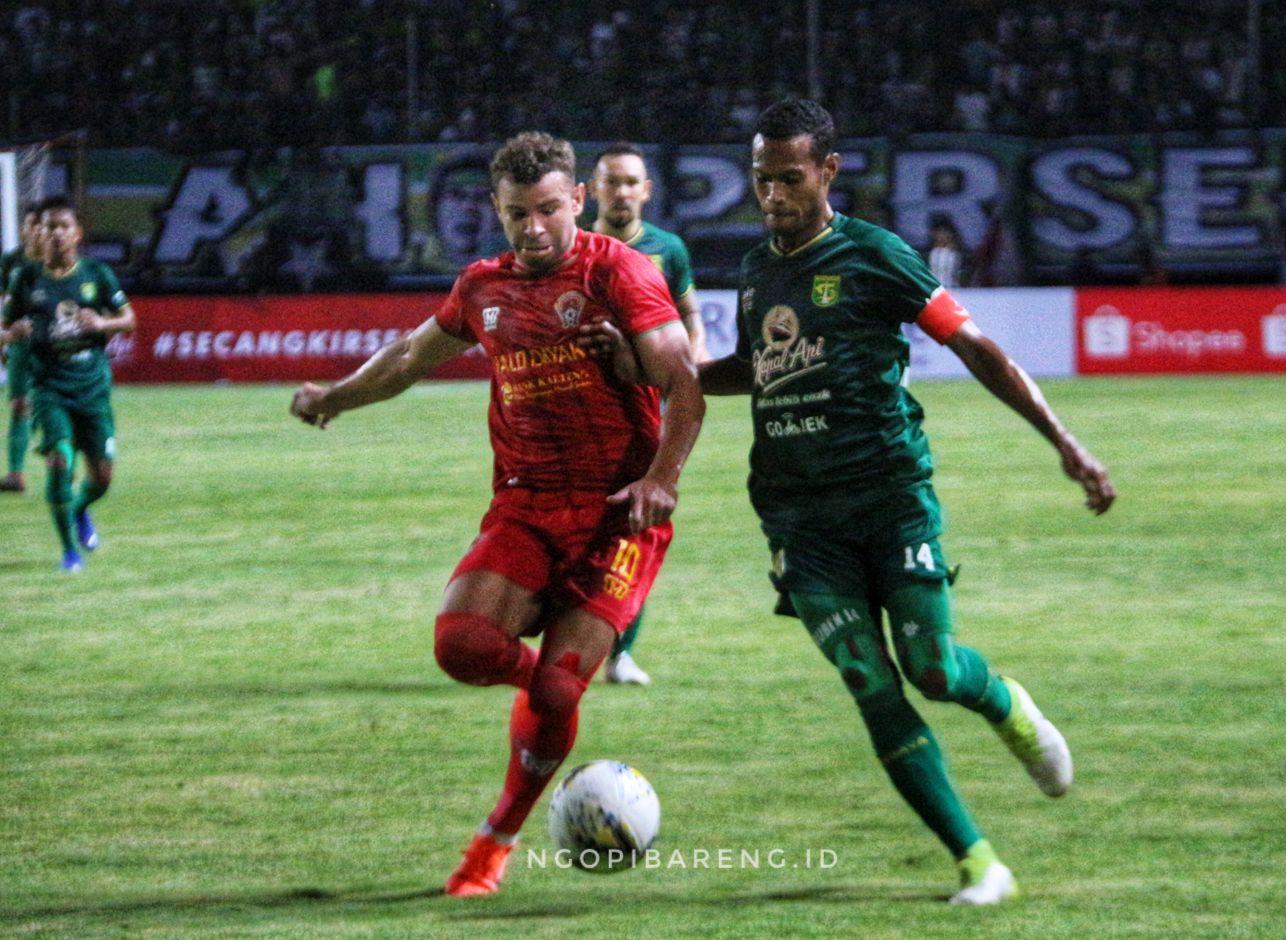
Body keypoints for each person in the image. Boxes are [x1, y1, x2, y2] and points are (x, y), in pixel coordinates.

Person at [697, 99, 1115, 904]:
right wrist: (663, 374)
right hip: (797, 517)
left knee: (930, 669)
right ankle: (978, 861)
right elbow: (756, 368)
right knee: (868, 679)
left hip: (889, 499)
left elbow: (978, 348)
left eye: (789, 178)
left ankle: (1004, 703)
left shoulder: (876, 256)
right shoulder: (757, 271)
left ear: (828, 171)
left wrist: (1066, 444)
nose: (773, 195)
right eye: (761, 180)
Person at [288, 131, 704, 897]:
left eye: (549, 209)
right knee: (461, 645)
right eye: (518, 214)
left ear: (577, 201)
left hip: (619, 514)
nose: (535, 228)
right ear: (497, 210)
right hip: (526, 503)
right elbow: (412, 358)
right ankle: (551, 693)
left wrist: (662, 479)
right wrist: (334, 397)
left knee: (551, 694)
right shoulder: (481, 287)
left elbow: (684, 383)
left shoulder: (621, 272)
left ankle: (494, 843)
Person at [589, 141, 706, 686]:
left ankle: (621, 652)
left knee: (638, 524)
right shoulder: (576, 246)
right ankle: (574, 642)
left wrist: (694, 364)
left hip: (644, 407)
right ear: (591, 189)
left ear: (646, 190)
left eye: (631, 181)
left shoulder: (668, 249)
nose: (621, 191)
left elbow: (687, 315)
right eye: (611, 181)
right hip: (580, 405)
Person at [0, 195, 137, 571]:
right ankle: (69, 552)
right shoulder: (25, 278)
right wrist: (12, 334)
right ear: (38, 234)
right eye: (48, 227)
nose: (56, 233)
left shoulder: (96, 275)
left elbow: (129, 319)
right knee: (60, 460)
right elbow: (3, 329)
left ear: (77, 233)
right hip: (50, 387)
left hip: (92, 387)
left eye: (63, 226)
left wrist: (103, 324)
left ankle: (79, 509)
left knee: (102, 479)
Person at [0, 203, 44, 492]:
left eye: (44, 225)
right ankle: (16, 474)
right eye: (33, 224)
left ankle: (63, 460)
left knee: (50, 404)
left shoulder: (61, 262)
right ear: (23, 229)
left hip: (53, 345)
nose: (38, 230)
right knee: (19, 404)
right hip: (19, 343)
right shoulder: (11, 262)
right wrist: (5, 336)